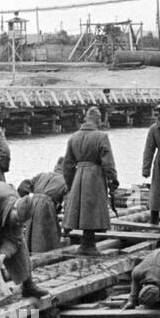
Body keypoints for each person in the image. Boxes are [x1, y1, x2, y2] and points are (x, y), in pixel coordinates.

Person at [62, 106, 119, 255]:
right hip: (95, 176)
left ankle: (85, 245)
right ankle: (89, 245)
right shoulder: (101, 137)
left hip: (79, 175)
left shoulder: (73, 137)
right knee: (93, 210)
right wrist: (113, 179)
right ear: (98, 120)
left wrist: (71, 183)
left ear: (86, 119)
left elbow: (67, 165)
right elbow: (108, 162)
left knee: (81, 210)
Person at [16, 178, 64, 254]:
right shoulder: (66, 182)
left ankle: (29, 254)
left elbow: (23, 186)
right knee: (47, 235)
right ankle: (44, 255)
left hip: (32, 203)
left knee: (30, 233)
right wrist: (67, 226)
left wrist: (23, 200)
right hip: (47, 206)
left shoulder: (42, 175)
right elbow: (69, 204)